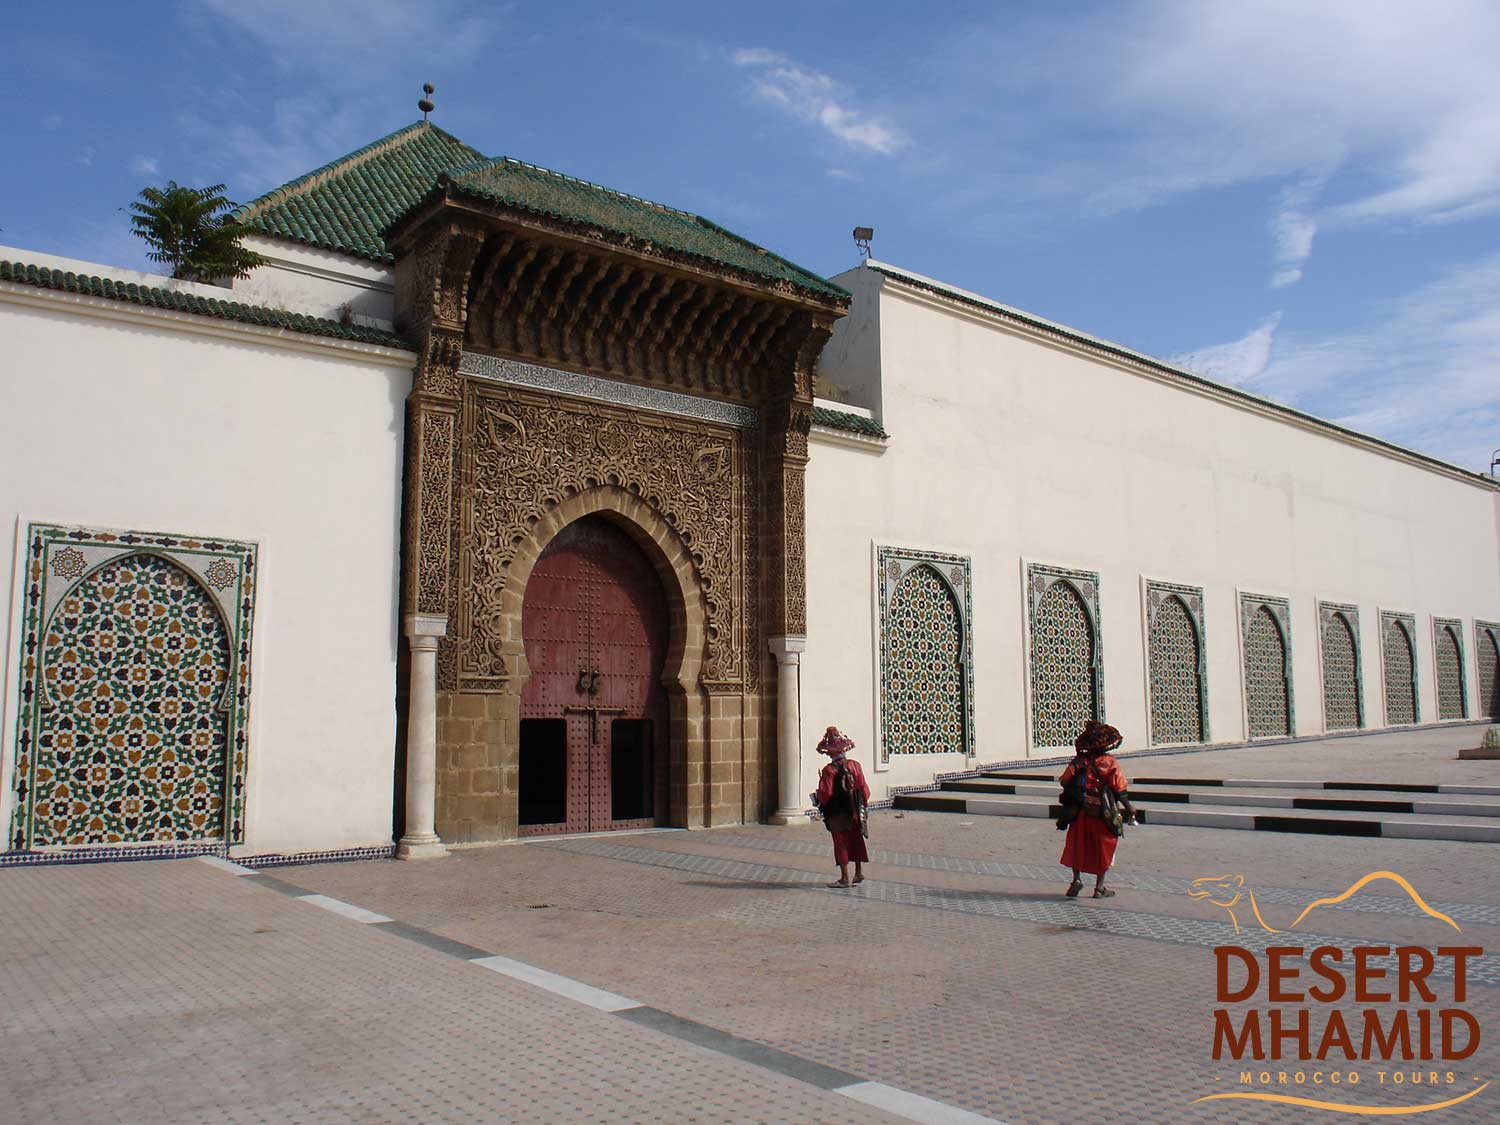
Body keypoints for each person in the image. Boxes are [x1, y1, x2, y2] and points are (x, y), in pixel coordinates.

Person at [1058, 719, 1136, 898]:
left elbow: (1064, 780)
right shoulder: (1109, 762)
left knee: (1077, 845)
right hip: (1102, 813)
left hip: (1081, 811)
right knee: (1104, 846)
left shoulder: (1078, 762)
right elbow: (1119, 788)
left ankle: (1076, 880)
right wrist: (1130, 807)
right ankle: (1099, 888)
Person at [812, 726, 870, 888]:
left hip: (838, 813)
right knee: (856, 840)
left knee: (841, 842)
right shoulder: (855, 766)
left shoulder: (829, 771)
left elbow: (825, 794)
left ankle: (845, 878)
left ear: (830, 753)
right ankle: (858, 872)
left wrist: (818, 801)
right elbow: (864, 789)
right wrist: (862, 807)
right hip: (855, 810)